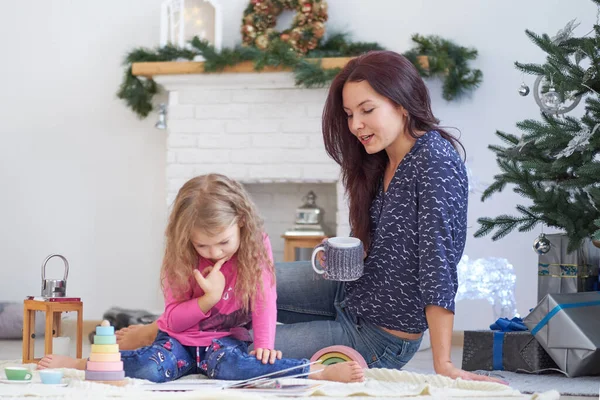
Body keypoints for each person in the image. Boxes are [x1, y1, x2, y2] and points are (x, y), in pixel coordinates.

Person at [76, 50, 502, 384]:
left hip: (378, 335)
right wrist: (334, 255)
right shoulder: (381, 159)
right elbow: (381, 250)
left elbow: (438, 265)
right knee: (246, 281)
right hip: (348, 291)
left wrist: (444, 361)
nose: (355, 125)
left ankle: (152, 337)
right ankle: (162, 329)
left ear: (403, 103)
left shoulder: (435, 164)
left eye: (367, 110)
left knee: (234, 351)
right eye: (350, 114)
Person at [38, 174, 364, 384]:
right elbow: (175, 321)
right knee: (150, 368)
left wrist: (264, 345)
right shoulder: (179, 256)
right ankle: (83, 362)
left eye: (223, 242)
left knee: (241, 368)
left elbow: (265, 296)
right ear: (186, 238)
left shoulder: (255, 244)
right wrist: (207, 300)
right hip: (178, 340)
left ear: (241, 223)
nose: (213, 252)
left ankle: (317, 371)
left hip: (224, 342)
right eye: (202, 245)